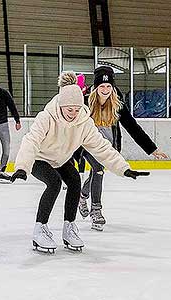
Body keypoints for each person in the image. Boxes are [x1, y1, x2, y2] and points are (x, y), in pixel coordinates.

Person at [11, 71, 150, 253]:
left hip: (61, 159)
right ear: (61, 105)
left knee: (75, 180)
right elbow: (31, 141)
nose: (74, 114)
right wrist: (22, 167)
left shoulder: (84, 121)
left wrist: (124, 168)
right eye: (70, 110)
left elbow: (102, 147)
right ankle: (40, 229)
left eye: (77, 109)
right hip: (40, 158)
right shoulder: (46, 117)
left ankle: (69, 228)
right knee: (53, 183)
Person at [78, 66, 168, 231]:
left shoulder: (116, 102)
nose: (105, 90)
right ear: (96, 87)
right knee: (97, 169)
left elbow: (132, 126)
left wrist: (152, 149)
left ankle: (82, 196)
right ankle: (96, 210)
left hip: (109, 146)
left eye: (108, 86)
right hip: (88, 145)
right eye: (101, 86)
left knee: (97, 172)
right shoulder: (85, 103)